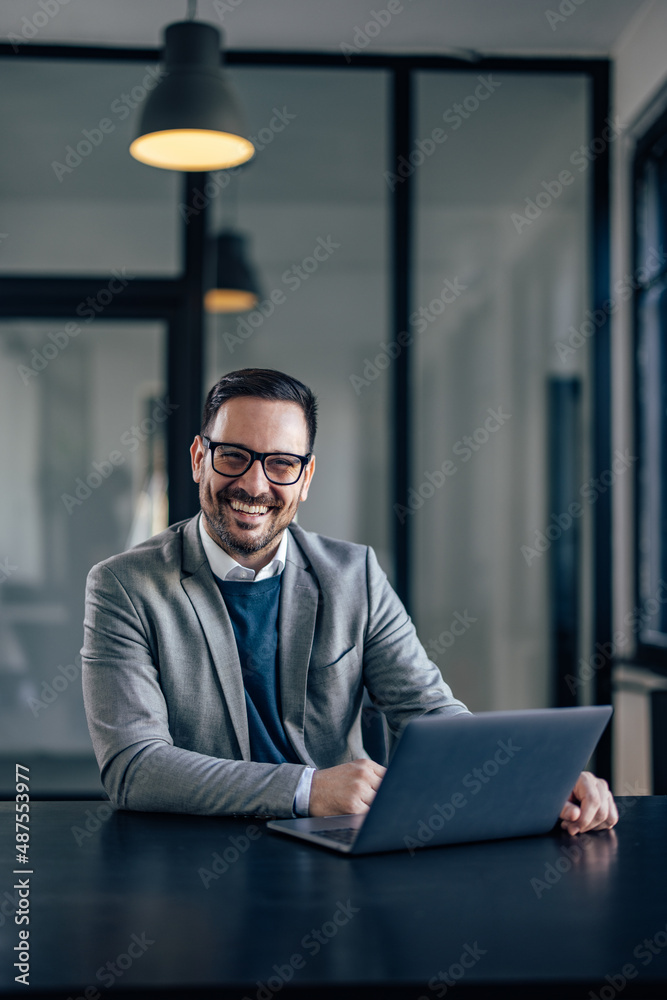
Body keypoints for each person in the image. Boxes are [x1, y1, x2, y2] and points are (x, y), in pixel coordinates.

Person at [82, 368, 617, 834]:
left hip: (338, 850)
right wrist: (306, 788)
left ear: (306, 477)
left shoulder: (354, 575)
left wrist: (541, 780)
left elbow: (428, 714)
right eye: (234, 456)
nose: (254, 483)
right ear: (201, 457)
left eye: (281, 464)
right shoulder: (124, 586)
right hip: (190, 859)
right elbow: (135, 768)